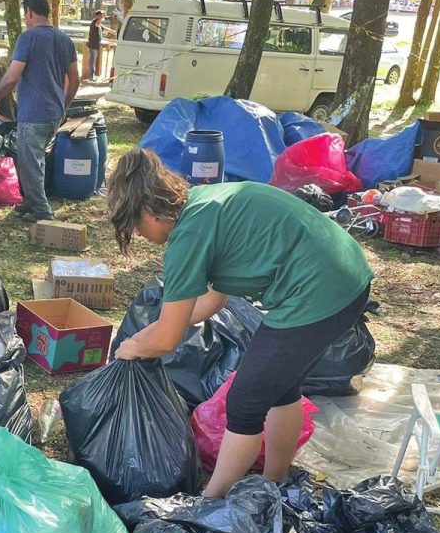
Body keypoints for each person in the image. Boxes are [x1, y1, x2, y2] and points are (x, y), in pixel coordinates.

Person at [108, 148, 375, 497]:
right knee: (281, 388)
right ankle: (273, 482)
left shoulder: (187, 236)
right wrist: (148, 333)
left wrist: (134, 347)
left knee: (245, 403)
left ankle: (210, 501)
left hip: (317, 291)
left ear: (148, 211)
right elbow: (212, 301)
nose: (139, 235)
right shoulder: (205, 204)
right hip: (346, 274)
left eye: (135, 227)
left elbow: (169, 340)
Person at [0, 0, 80, 222]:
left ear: (29, 12)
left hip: (34, 114)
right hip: (53, 114)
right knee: (35, 160)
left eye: (25, 15)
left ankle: (43, 214)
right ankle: (31, 200)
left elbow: (12, 76)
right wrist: (63, 106)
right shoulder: (64, 40)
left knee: (31, 165)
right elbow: (76, 80)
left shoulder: (27, 38)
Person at [85, 10, 108, 80]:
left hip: (96, 45)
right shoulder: (94, 22)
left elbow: (103, 28)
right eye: (100, 16)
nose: (102, 17)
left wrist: (111, 31)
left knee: (92, 60)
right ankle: (91, 76)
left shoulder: (98, 24)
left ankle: (91, 75)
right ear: (97, 16)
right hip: (92, 45)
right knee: (91, 60)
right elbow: (99, 24)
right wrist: (102, 17)